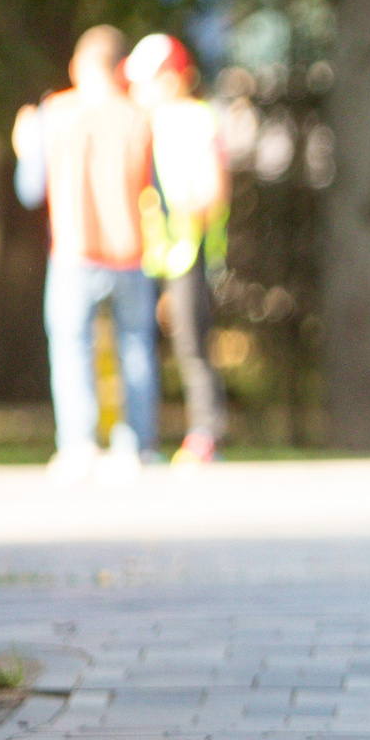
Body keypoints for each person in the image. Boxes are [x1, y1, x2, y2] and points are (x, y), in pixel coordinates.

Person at [12, 26, 158, 481]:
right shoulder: (139, 117)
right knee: (136, 348)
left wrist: (24, 147)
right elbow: (156, 192)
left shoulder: (54, 113)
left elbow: (30, 189)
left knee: (72, 349)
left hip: (74, 250)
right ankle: (137, 445)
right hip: (129, 250)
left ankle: (79, 445)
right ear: (121, 68)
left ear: (77, 66)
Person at [127, 34, 230, 465]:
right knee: (139, 344)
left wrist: (196, 203)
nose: (138, 90)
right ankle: (138, 435)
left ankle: (206, 433)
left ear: (172, 78)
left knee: (191, 345)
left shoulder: (196, 118)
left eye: (146, 81)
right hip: (151, 250)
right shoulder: (144, 122)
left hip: (187, 249)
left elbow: (214, 187)